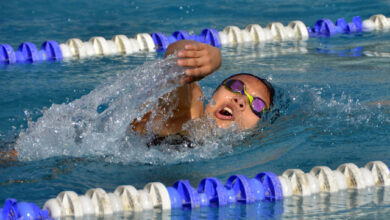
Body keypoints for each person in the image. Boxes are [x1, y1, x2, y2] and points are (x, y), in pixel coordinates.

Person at [131, 40, 275, 139]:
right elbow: (175, 64)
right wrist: (212, 56)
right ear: (214, 94)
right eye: (236, 87)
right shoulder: (191, 113)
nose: (240, 100)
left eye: (257, 105)